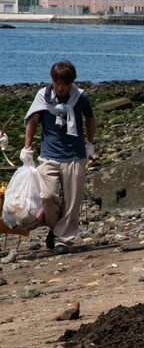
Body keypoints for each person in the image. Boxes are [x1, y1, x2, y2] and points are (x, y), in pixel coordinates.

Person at [21, 60, 97, 255]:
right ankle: (55, 228)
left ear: (72, 82)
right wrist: (27, 147)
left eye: (65, 84)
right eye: (57, 83)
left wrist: (90, 143)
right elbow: (33, 120)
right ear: (52, 80)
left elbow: (90, 118)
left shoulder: (80, 97)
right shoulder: (43, 96)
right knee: (47, 195)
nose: (61, 88)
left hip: (75, 155)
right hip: (49, 155)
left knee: (73, 200)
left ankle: (63, 239)